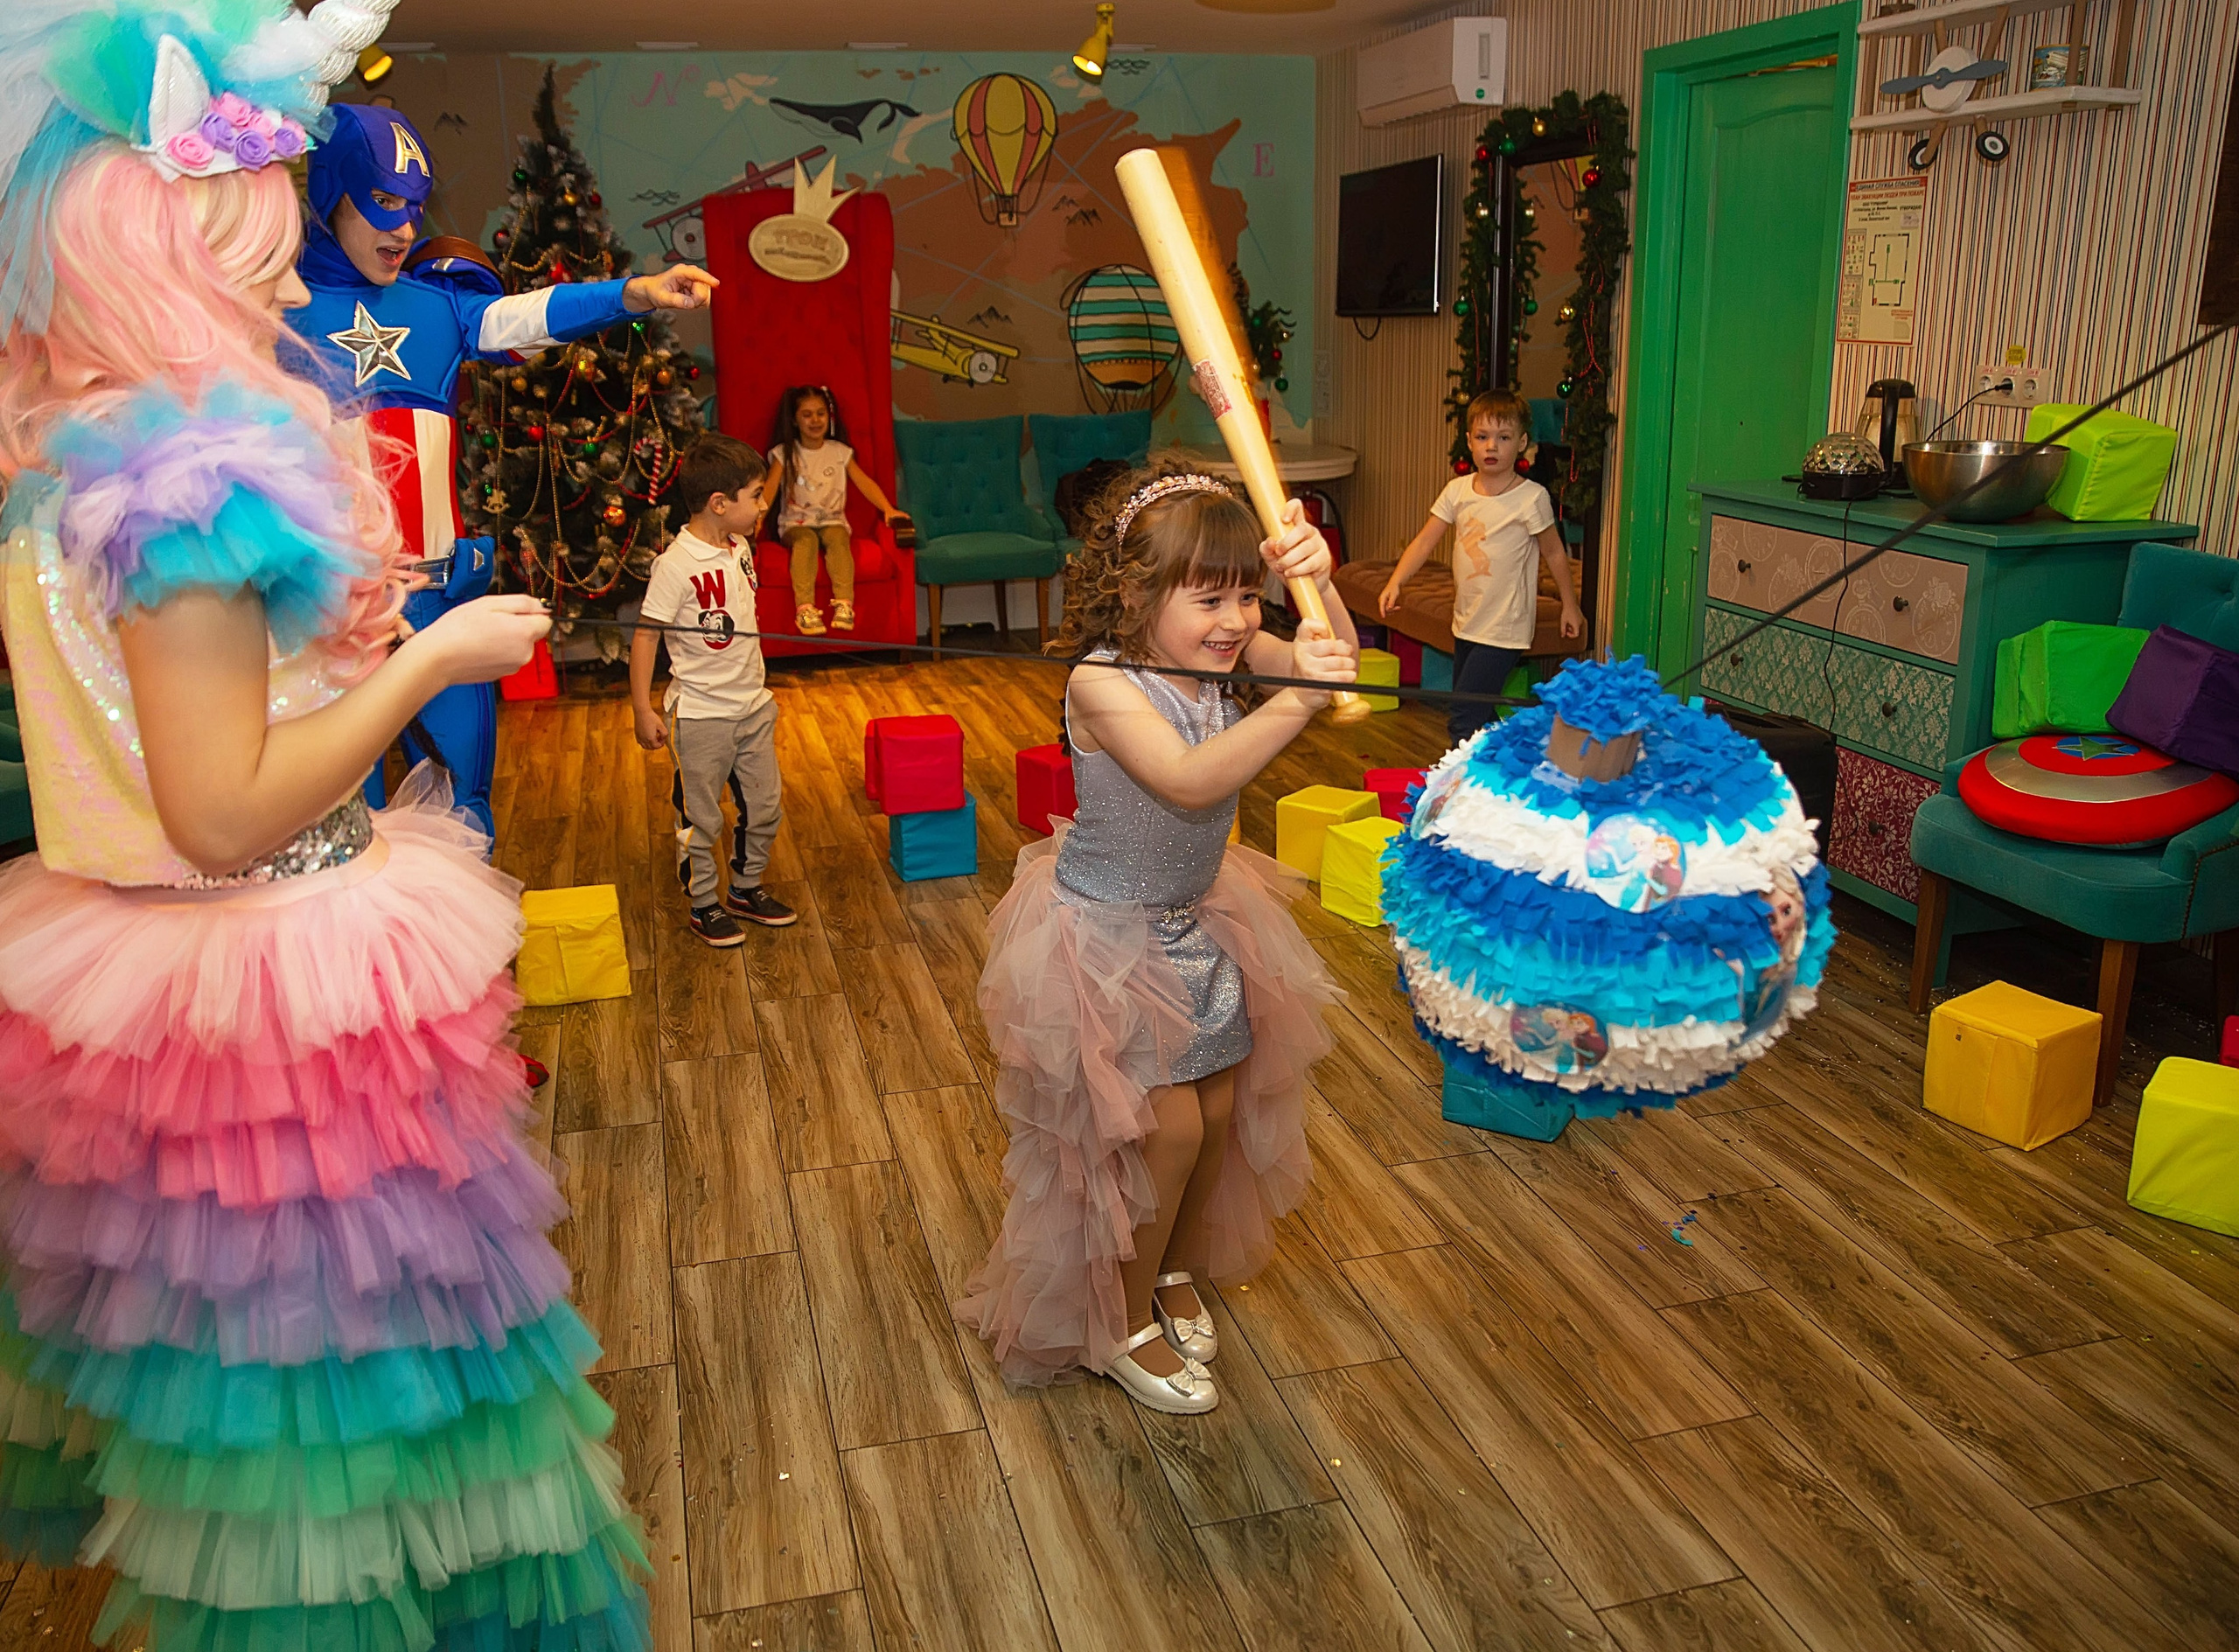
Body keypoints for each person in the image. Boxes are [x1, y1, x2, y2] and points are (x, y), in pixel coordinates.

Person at [0, 10, 649, 1645]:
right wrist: (437, 651)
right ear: (173, 268)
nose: (298, 296)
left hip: (131, 987)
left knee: (233, 1408)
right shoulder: (194, 489)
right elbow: (222, 808)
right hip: (274, 984)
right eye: (265, 264)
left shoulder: (49, 473)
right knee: (341, 1409)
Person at [955, 463, 1354, 1415]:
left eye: (1248, 595)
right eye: (1207, 596)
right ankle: (1118, 1320)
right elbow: (1184, 778)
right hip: (1105, 934)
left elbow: (1329, 661)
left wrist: (1321, 583)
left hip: (1199, 915)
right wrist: (1297, 700)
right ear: (1134, 593)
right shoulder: (1103, 678)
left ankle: (1168, 1267)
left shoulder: (1231, 649)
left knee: (1215, 1115)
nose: (1233, 619)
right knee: (1163, 1132)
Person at [283, 103, 719, 838]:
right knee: (337, 828)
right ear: (332, 189)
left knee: (466, 811)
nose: (403, 230)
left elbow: (529, 316)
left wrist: (636, 292)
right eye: (382, 200)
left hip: (436, 596)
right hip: (323, 611)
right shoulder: (271, 309)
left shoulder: (437, 309)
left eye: (414, 207)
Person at [631, 435, 797, 945]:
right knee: (700, 815)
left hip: (753, 706)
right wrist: (641, 709)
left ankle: (745, 888)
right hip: (701, 715)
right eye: (756, 496)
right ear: (719, 504)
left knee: (765, 805)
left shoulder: (740, 546)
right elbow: (645, 636)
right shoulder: (675, 565)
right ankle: (703, 902)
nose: (764, 504)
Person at [1379, 388, 1584, 746]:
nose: (1492, 446)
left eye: (1503, 438)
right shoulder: (1458, 491)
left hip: (1504, 628)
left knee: (1462, 719)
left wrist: (1569, 604)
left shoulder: (1531, 498)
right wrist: (1397, 581)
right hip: (1468, 623)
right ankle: (1519, 763)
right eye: (1483, 437)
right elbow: (1425, 541)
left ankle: (1463, 792)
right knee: (1481, 715)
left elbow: (1554, 554)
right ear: (1469, 442)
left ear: (1521, 443)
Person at [762, 384, 904, 636]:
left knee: (839, 540)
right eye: (807, 415)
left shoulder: (839, 452)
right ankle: (805, 608)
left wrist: (887, 509)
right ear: (794, 420)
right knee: (805, 542)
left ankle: (844, 604)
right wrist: (757, 518)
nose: (815, 421)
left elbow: (864, 482)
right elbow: (770, 489)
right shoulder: (785, 453)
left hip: (832, 521)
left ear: (829, 417)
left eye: (820, 414)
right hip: (796, 525)